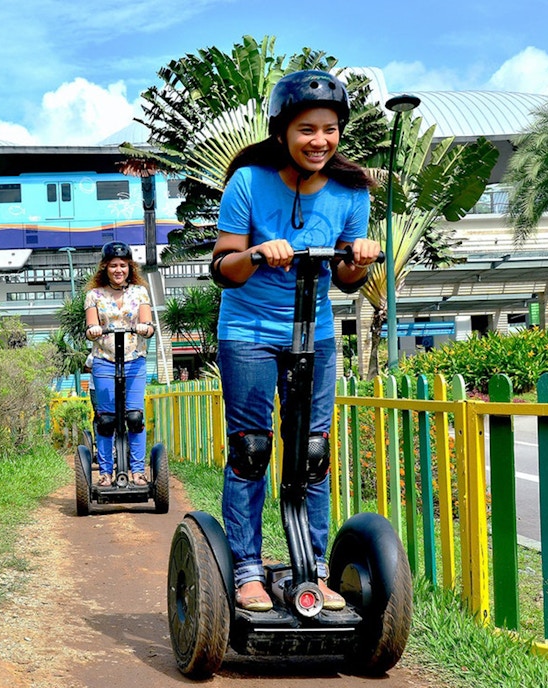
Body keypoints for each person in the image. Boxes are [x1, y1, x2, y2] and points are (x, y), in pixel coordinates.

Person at [208, 70, 382, 613]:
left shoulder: (352, 192)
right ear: (283, 130)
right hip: (248, 334)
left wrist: (359, 258)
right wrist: (259, 253)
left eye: (330, 129)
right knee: (252, 450)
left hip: (317, 334)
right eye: (307, 128)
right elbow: (223, 267)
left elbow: (346, 281)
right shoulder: (249, 183)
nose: (319, 141)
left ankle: (313, 571)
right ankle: (247, 570)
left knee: (312, 454)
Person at [83, 241, 155, 487]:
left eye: (123, 265)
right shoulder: (94, 295)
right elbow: (91, 323)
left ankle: (137, 471)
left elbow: (147, 321)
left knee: (135, 417)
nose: (118, 270)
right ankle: (105, 472)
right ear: (105, 267)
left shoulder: (140, 292)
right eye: (113, 265)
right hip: (104, 360)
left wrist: (146, 327)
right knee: (106, 420)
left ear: (129, 267)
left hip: (134, 360)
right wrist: (93, 329)